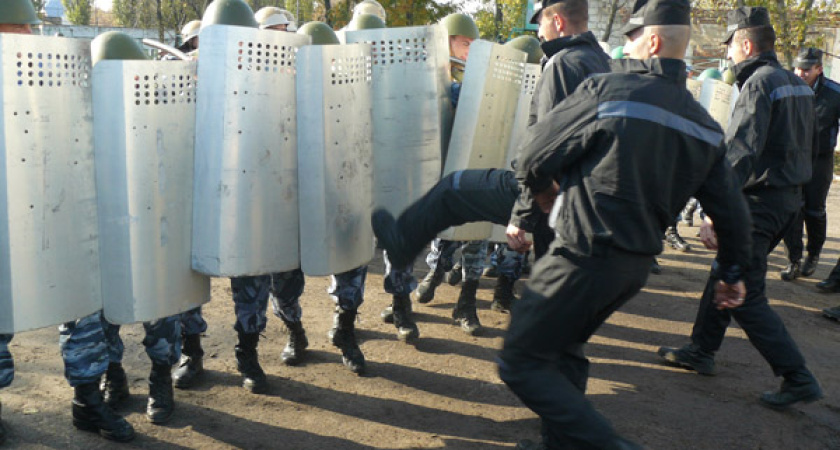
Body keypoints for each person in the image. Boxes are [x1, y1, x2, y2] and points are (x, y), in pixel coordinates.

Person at [497, 0, 755, 447]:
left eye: (632, 36)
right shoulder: (704, 125)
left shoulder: (609, 90)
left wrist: (540, 195)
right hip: (631, 270)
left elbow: (531, 154)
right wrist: (731, 275)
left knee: (521, 360)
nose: (626, 44)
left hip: (580, 257)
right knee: (566, 349)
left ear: (652, 41)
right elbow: (733, 215)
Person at [658, 6, 823, 410]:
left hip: (759, 204)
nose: (728, 55)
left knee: (744, 294)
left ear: (746, 44)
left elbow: (741, 152)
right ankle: (701, 349)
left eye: (730, 46)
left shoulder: (760, 84)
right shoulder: (794, 84)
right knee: (725, 274)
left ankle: (797, 377)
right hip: (785, 201)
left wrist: (716, 211)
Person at [372, 0, 609, 276]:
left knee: (453, 189)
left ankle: (401, 243)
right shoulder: (601, 62)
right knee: (558, 280)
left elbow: (543, 152)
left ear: (558, 22)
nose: (540, 33)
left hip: (550, 194)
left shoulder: (561, 64)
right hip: (580, 198)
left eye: (541, 23)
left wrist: (522, 217)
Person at [0, 2, 134, 443]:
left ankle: (87, 403)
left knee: (82, 305)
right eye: (10, 29)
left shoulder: (48, 69)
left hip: (56, 210)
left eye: (23, 29)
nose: (20, 37)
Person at [90, 30, 183, 425]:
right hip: (101, 233)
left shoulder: (162, 106)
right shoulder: (81, 111)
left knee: (160, 310)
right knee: (101, 316)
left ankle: (161, 379)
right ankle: (114, 377)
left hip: (151, 228)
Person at [781, 48, 840, 282]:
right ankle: (793, 260)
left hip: (820, 159)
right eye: (798, 68)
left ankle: (813, 255)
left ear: (819, 69)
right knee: (792, 210)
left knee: (814, 211)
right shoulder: (788, 86)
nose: (801, 73)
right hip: (792, 157)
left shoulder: (834, 93)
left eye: (807, 69)